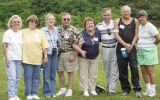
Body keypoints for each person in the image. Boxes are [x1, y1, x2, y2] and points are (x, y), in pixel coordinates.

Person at [114, 5, 142, 97]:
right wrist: (125, 45)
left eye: (128, 11)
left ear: (130, 12)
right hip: (121, 48)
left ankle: (137, 89)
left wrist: (131, 44)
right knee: (122, 69)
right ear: (121, 12)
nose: (126, 13)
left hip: (132, 47)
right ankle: (125, 89)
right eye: (124, 11)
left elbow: (136, 34)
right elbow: (116, 35)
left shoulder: (135, 21)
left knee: (134, 68)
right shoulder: (117, 21)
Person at [22, 15, 49, 100]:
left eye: (35, 22)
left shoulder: (40, 33)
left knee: (36, 77)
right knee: (28, 77)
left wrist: (45, 56)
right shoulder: (22, 32)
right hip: (26, 59)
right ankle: (28, 94)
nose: (33, 23)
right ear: (28, 22)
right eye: (31, 21)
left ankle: (34, 93)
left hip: (38, 59)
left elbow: (45, 46)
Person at [73, 17, 101, 96]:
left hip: (94, 57)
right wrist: (81, 51)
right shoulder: (81, 34)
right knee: (83, 74)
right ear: (85, 25)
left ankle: (92, 89)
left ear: (94, 25)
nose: (90, 25)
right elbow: (74, 44)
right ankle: (85, 90)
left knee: (93, 74)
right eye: (88, 24)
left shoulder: (97, 32)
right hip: (83, 58)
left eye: (91, 23)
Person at [137, 10, 160, 97]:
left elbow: (158, 38)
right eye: (140, 17)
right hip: (141, 51)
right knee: (143, 71)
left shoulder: (150, 26)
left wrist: (153, 45)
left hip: (149, 51)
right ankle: (148, 89)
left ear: (146, 17)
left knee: (150, 71)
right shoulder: (139, 26)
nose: (141, 18)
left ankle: (153, 90)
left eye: (143, 16)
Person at [56, 12, 79, 97]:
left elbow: (80, 42)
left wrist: (74, 54)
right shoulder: (57, 29)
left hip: (69, 53)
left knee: (70, 72)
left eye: (68, 19)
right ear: (61, 20)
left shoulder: (74, 29)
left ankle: (70, 89)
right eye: (64, 19)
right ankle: (62, 88)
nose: (66, 20)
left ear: (70, 20)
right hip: (59, 54)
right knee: (60, 72)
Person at [96, 8, 119, 96]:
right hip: (105, 48)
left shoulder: (115, 23)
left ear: (111, 15)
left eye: (108, 15)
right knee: (107, 69)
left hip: (115, 47)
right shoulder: (98, 25)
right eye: (105, 15)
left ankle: (112, 90)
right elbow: (97, 38)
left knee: (114, 69)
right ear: (102, 15)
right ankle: (109, 85)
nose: (107, 17)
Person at [2, 15, 22, 100]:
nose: (16, 23)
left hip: (19, 59)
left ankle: (15, 95)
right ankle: (11, 96)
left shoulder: (21, 33)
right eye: (14, 22)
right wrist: (6, 58)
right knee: (12, 78)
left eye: (18, 22)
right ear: (11, 23)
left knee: (17, 78)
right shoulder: (8, 32)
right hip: (11, 59)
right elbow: (4, 45)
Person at [41, 13, 59, 97]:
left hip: (55, 54)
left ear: (54, 21)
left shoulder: (56, 29)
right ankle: (47, 93)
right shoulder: (42, 30)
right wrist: (43, 56)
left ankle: (52, 92)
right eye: (49, 19)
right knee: (46, 74)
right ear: (46, 21)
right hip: (47, 54)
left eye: (52, 19)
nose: (51, 21)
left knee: (53, 74)